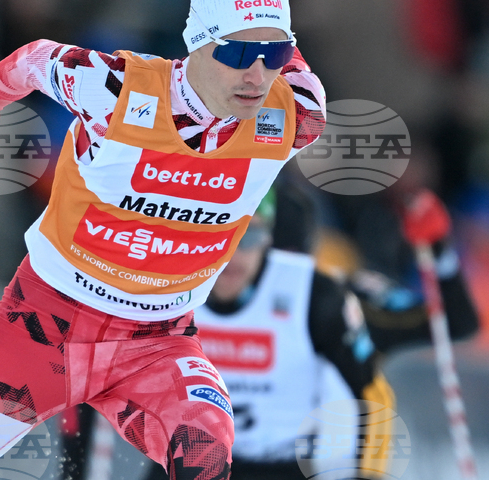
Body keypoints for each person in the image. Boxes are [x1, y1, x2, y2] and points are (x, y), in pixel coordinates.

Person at [0, 0, 326, 480]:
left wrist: (273, 31)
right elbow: (34, 60)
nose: (257, 74)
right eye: (238, 51)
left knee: (205, 449)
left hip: (156, 343)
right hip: (44, 328)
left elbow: (291, 60)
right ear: (198, 41)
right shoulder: (115, 89)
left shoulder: (296, 112)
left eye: (272, 52)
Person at [146, 182, 396, 480]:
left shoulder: (312, 293)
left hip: (277, 467)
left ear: (268, 238)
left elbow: (370, 390)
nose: (232, 257)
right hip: (187, 463)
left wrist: (367, 474)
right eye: (220, 238)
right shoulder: (164, 284)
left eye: (248, 236)